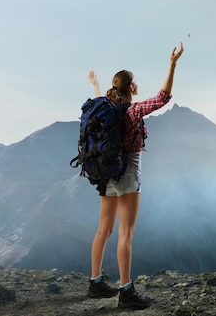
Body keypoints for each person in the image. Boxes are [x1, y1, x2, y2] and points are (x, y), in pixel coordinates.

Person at [86, 42, 184, 310]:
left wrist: (95, 84)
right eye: (136, 83)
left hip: (107, 174)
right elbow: (163, 97)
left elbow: (97, 101)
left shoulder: (105, 107)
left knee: (103, 230)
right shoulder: (132, 111)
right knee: (125, 234)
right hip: (128, 174)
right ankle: (126, 291)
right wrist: (172, 64)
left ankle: (95, 282)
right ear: (131, 87)